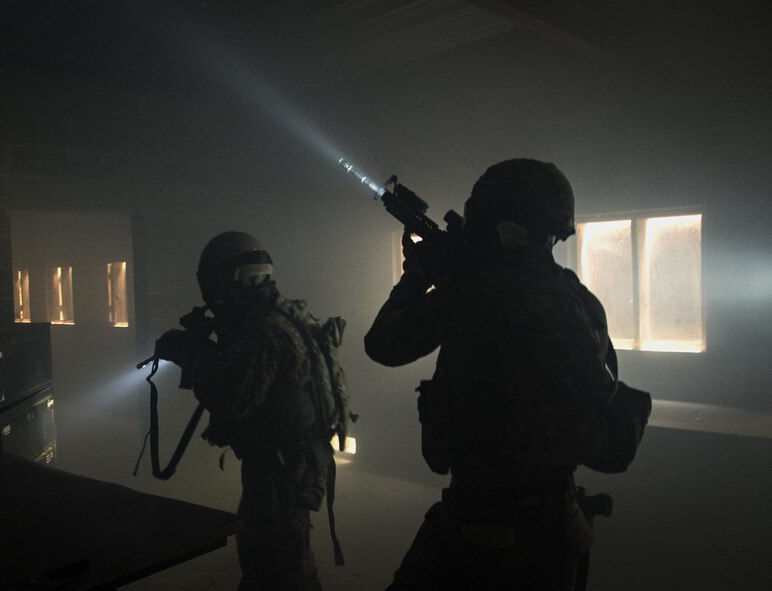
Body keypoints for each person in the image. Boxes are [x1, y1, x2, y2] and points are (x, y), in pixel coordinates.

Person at [365, 159, 618, 590]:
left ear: (491, 220)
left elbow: (384, 344)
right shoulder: (577, 295)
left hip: (489, 526)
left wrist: (418, 276)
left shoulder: (476, 296)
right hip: (556, 518)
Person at [156, 231, 331, 591]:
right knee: (272, 556)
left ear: (233, 278)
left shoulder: (264, 331)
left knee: (279, 567)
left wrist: (196, 354)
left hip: (283, 469)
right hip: (287, 462)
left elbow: (230, 399)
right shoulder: (280, 316)